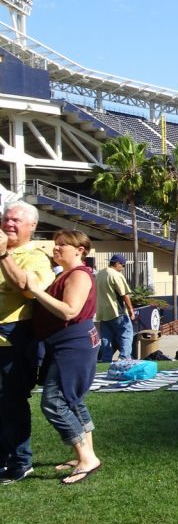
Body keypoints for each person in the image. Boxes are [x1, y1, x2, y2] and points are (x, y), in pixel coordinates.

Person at [26, 230, 102, 484]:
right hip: (66, 344)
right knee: (73, 399)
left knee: (54, 402)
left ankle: (87, 458)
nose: (55, 249)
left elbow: (70, 311)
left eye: (62, 246)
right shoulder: (68, 274)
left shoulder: (79, 275)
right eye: (55, 245)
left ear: (80, 250)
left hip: (73, 345)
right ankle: (84, 454)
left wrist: (36, 290)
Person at [0, 201, 55, 484]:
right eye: (6, 218)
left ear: (32, 226)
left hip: (13, 338)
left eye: (16, 220)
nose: (9, 224)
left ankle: (20, 461)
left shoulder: (34, 257)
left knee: (11, 402)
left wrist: (4, 255)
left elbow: (27, 290)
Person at [95, 253, 135, 363]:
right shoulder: (115, 275)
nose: (123, 268)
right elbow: (124, 294)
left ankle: (106, 359)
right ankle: (124, 358)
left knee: (106, 338)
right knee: (126, 335)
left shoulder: (100, 274)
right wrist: (131, 310)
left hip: (103, 312)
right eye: (123, 265)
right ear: (117, 263)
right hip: (117, 311)